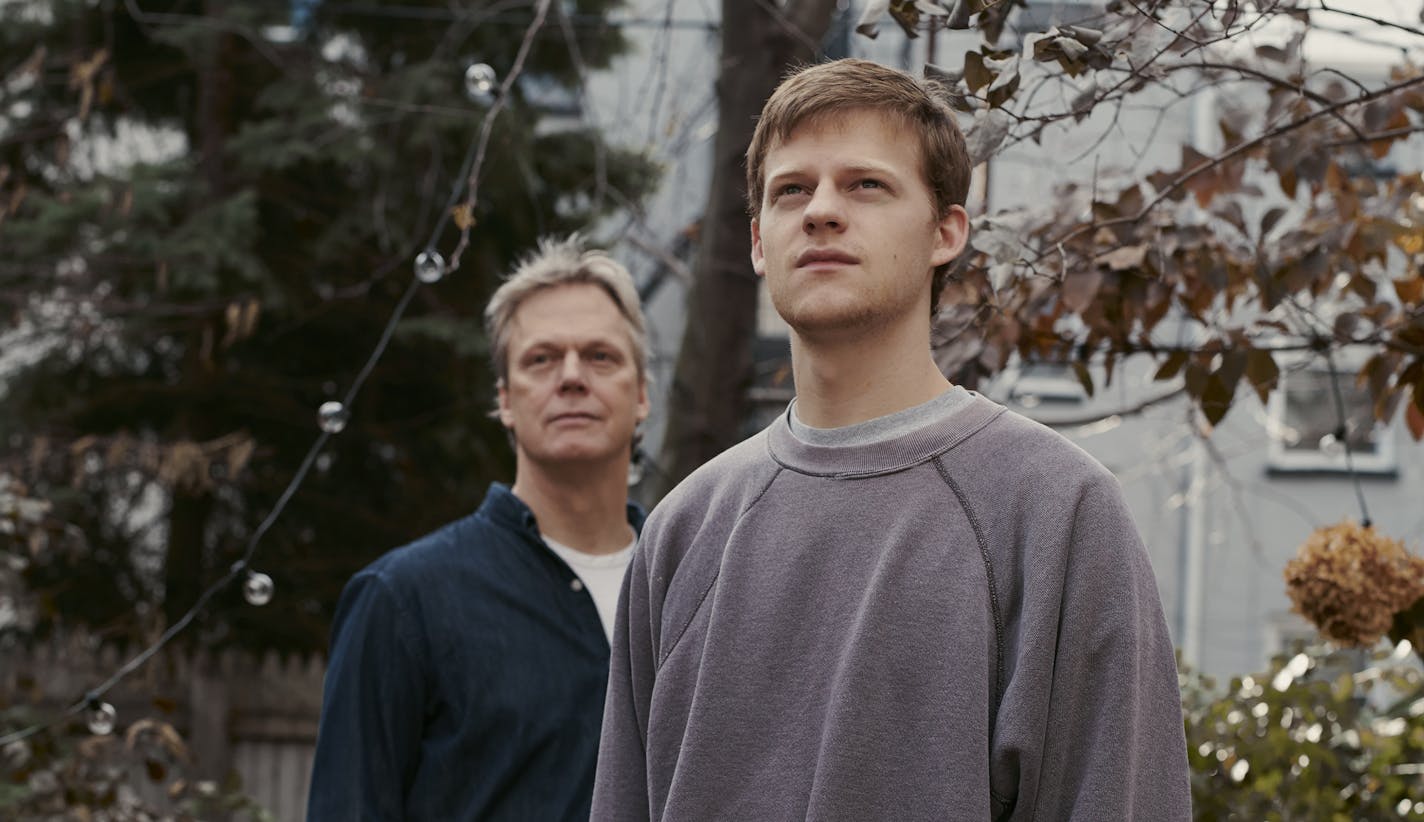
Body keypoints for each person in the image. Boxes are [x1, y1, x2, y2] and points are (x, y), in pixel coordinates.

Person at [592, 59, 1191, 821]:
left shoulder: (1055, 511)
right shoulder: (682, 531)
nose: (821, 212)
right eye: (791, 190)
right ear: (756, 243)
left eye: (866, 185)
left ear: (946, 232)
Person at [308, 237, 652, 821]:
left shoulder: (694, 594)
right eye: (541, 359)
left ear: (642, 394)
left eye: (600, 356)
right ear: (505, 400)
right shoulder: (401, 600)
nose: (571, 377)